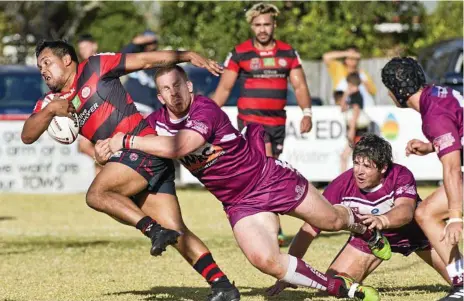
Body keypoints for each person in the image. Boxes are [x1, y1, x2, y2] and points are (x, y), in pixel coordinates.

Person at [106, 65, 397, 301]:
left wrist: (128, 141)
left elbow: (182, 146)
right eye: (166, 89)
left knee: (333, 221)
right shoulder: (156, 122)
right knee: (265, 261)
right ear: (160, 97)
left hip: (268, 178)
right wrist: (106, 145)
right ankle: (343, 290)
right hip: (239, 203)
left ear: (189, 87)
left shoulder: (205, 110)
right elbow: (115, 136)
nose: (174, 93)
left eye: (178, 85)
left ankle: (366, 231)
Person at [21, 40, 240, 301]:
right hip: (133, 162)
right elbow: (27, 135)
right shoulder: (51, 101)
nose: (43, 70)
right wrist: (51, 110)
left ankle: (153, 230)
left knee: (96, 194)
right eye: (39, 67)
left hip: (143, 149)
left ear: (67, 59)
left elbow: (146, 60)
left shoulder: (95, 66)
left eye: (47, 62)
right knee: (177, 230)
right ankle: (223, 286)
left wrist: (185, 55)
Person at [266, 134, 451, 296]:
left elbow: (406, 211)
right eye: (356, 163)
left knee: (461, 283)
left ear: (383, 167)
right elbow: (309, 229)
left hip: (417, 233)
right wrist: (288, 273)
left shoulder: (400, 174)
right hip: (373, 240)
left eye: (367, 166)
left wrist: (382, 219)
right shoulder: (341, 185)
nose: (359, 171)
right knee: (334, 288)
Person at [212, 2, 313, 246]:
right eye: (258, 25)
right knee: (264, 169)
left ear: (274, 25)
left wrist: (307, 112)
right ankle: (270, 228)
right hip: (251, 122)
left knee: (271, 173)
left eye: (267, 24)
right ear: (251, 26)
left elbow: (299, 86)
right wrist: (208, 117)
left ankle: (266, 223)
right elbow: (224, 88)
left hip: (277, 123)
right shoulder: (240, 53)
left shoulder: (288, 53)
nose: (263, 29)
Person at [382, 57, 463, 301]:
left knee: (427, 213)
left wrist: (456, 217)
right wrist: (430, 146)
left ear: (396, 92)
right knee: (425, 212)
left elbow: (452, 169)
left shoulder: (433, 114)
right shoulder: (438, 94)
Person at [76, 33, 102, 175]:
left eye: (86, 46)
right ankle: (105, 162)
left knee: (99, 149)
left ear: (94, 45)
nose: (83, 50)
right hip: (88, 114)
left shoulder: (103, 62)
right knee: (85, 146)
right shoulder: (81, 68)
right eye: (81, 47)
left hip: (104, 114)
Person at [121, 30, 163, 116]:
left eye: (153, 43)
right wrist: (136, 42)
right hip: (130, 106)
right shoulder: (134, 59)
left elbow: (159, 95)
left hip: (148, 110)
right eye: (147, 43)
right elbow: (120, 59)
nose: (150, 46)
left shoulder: (158, 66)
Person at [336, 72, 372, 172]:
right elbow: (342, 108)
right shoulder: (351, 96)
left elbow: (356, 113)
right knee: (345, 156)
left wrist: (351, 130)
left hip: (357, 131)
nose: (348, 87)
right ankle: (343, 180)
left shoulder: (357, 96)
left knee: (359, 158)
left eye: (350, 85)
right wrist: (345, 94)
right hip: (354, 130)